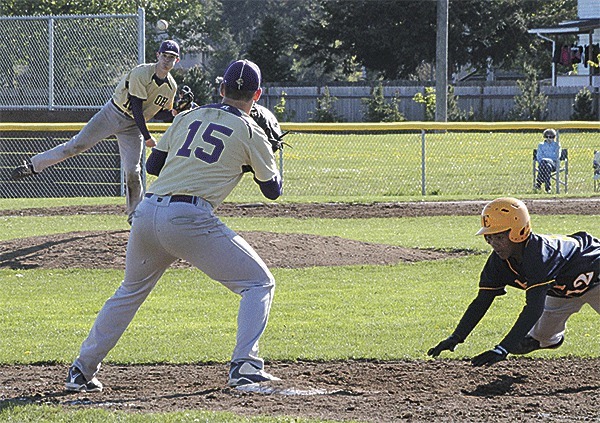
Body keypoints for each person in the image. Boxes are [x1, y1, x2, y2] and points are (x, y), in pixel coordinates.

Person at [65, 59, 283, 392]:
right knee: (258, 284)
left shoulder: (185, 117)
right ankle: (245, 367)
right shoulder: (251, 131)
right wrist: (266, 148)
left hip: (147, 212)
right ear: (258, 95)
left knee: (129, 293)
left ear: (221, 89)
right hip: (188, 218)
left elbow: (153, 165)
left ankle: (82, 370)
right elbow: (272, 191)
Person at [11, 40, 181, 224]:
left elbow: (159, 112)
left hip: (133, 126)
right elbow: (136, 107)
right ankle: (34, 165)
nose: (166, 60)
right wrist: (147, 137)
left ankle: (135, 216)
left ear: (177, 60)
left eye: (171, 57)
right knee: (75, 146)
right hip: (113, 113)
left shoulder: (171, 87)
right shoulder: (142, 72)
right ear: (157, 55)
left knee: (133, 170)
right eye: (164, 55)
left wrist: (175, 111)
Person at [427, 197, 599, 366]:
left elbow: (533, 309)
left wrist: (503, 348)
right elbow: (482, 301)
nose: (494, 244)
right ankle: (547, 340)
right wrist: (457, 336)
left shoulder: (539, 255)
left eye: (500, 237)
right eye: (489, 238)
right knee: (543, 338)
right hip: (560, 291)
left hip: (596, 278)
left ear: (519, 232)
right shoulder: (498, 262)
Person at [535, 128, 561, 193]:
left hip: (554, 164)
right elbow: (539, 156)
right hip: (544, 165)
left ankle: (539, 182)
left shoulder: (557, 145)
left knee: (545, 162)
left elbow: (557, 156)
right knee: (547, 166)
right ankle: (548, 188)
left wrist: (546, 159)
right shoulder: (541, 145)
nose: (549, 138)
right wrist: (545, 160)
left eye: (551, 137)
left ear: (554, 137)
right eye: (547, 137)